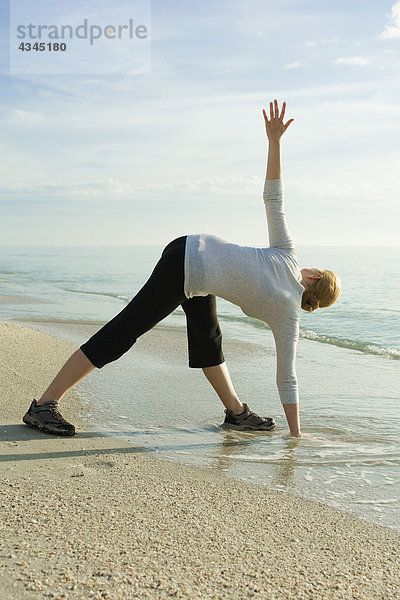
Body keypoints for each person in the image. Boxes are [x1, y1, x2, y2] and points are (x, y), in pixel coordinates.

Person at [22, 100, 341, 439]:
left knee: (207, 341)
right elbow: (287, 378)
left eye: (316, 268)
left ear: (315, 277)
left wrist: (274, 142)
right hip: (188, 266)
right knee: (125, 331)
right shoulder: (289, 317)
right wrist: (297, 435)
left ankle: (236, 413)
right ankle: (46, 403)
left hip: (190, 260)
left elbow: (274, 198)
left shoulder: (287, 256)